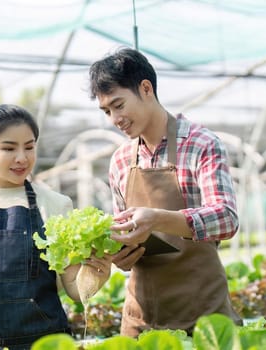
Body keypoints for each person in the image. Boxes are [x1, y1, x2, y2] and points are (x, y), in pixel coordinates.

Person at [88, 47, 242, 337]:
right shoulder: (120, 160)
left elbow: (226, 218)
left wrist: (156, 218)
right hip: (141, 319)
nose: (114, 118)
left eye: (119, 105)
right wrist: (121, 255)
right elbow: (125, 232)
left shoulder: (201, 144)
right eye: (107, 111)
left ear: (146, 88)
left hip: (203, 317)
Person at [0, 104, 112, 349]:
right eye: (9, 148)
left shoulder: (56, 204)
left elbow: (73, 288)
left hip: (46, 340)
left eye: (29, 147)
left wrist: (96, 276)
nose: (22, 158)